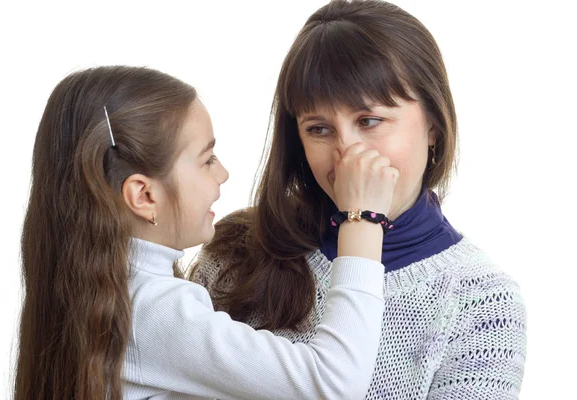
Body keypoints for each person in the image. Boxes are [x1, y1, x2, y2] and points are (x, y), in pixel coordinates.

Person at [190, 1, 527, 399]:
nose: (347, 154)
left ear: (433, 126)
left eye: (369, 121)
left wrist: (361, 218)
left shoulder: (483, 302)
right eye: (319, 129)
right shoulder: (237, 249)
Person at [14, 65, 398, 399]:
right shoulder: (156, 309)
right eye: (207, 159)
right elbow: (331, 382)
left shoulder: (108, 291)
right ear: (144, 195)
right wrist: (362, 218)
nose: (222, 173)